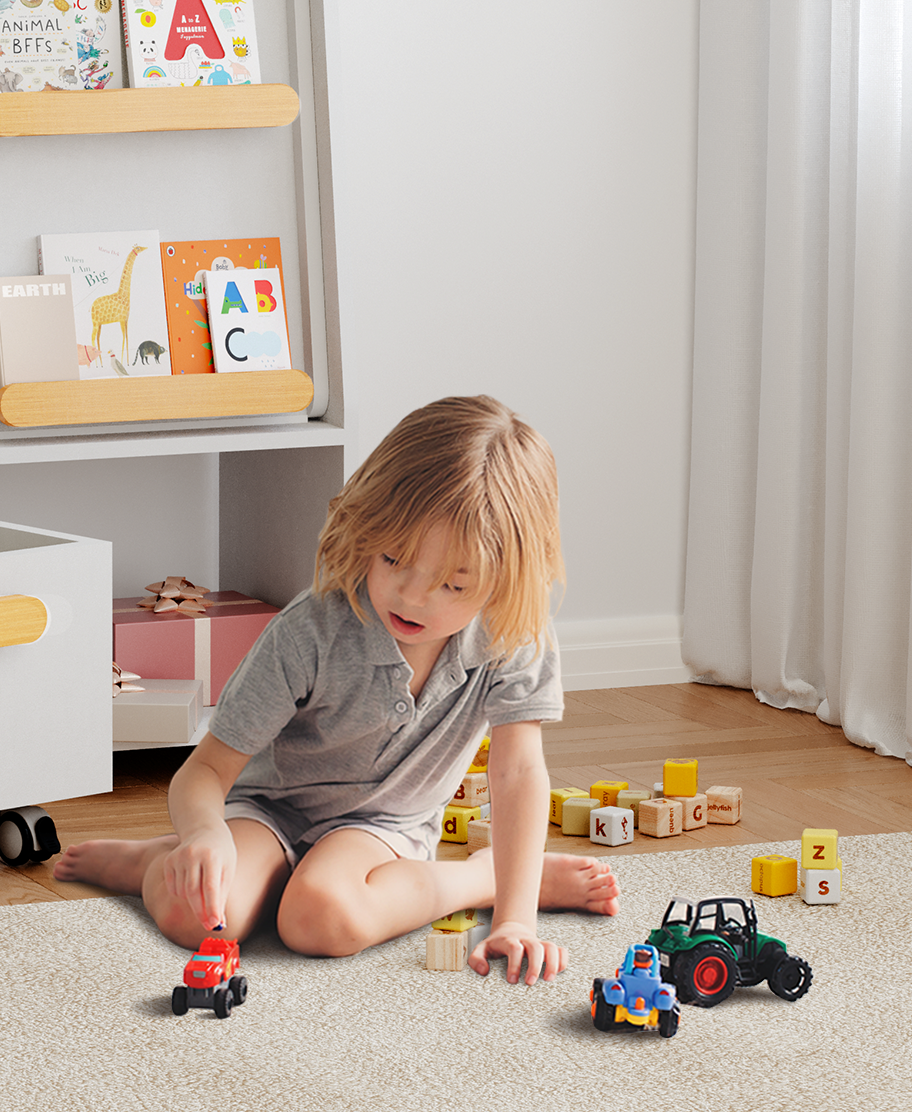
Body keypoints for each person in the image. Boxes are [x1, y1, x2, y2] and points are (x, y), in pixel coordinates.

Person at [55, 394, 619, 983]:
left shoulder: (514, 631)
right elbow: (205, 772)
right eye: (393, 558)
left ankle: (485, 875)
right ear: (366, 526)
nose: (411, 596)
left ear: (505, 581)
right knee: (191, 916)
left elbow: (518, 774)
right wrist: (203, 834)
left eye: (454, 584)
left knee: (318, 920)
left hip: (384, 829)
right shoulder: (312, 630)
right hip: (269, 808)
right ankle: (153, 857)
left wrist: (515, 917)